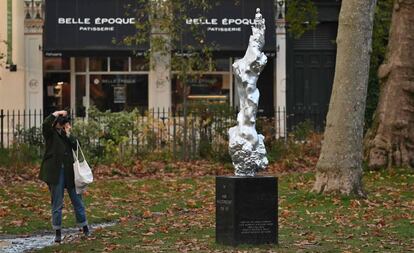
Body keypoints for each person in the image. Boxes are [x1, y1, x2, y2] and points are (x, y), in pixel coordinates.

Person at [39, 110, 89, 243]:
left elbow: (76, 145)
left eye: (65, 122)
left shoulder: (67, 135)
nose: (63, 124)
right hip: (56, 173)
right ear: (55, 123)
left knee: (77, 200)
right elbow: (45, 124)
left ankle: (85, 227)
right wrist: (55, 113)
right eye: (61, 123)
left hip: (69, 172)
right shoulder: (50, 134)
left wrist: (68, 133)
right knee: (57, 203)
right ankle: (57, 233)